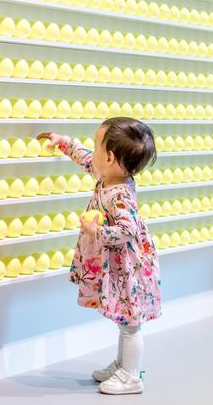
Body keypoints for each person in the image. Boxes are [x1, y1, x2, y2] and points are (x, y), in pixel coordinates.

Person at [37, 117, 161, 395]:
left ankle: (131, 376)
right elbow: (86, 161)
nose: (91, 152)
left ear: (110, 157)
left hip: (129, 268)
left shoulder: (120, 195)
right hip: (118, 267)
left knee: (130, 324)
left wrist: (97, 231)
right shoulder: (108, 175)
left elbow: (127, 230)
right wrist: (64, 143)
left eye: (96, 146)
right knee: (124, 320)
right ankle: (123, 364)